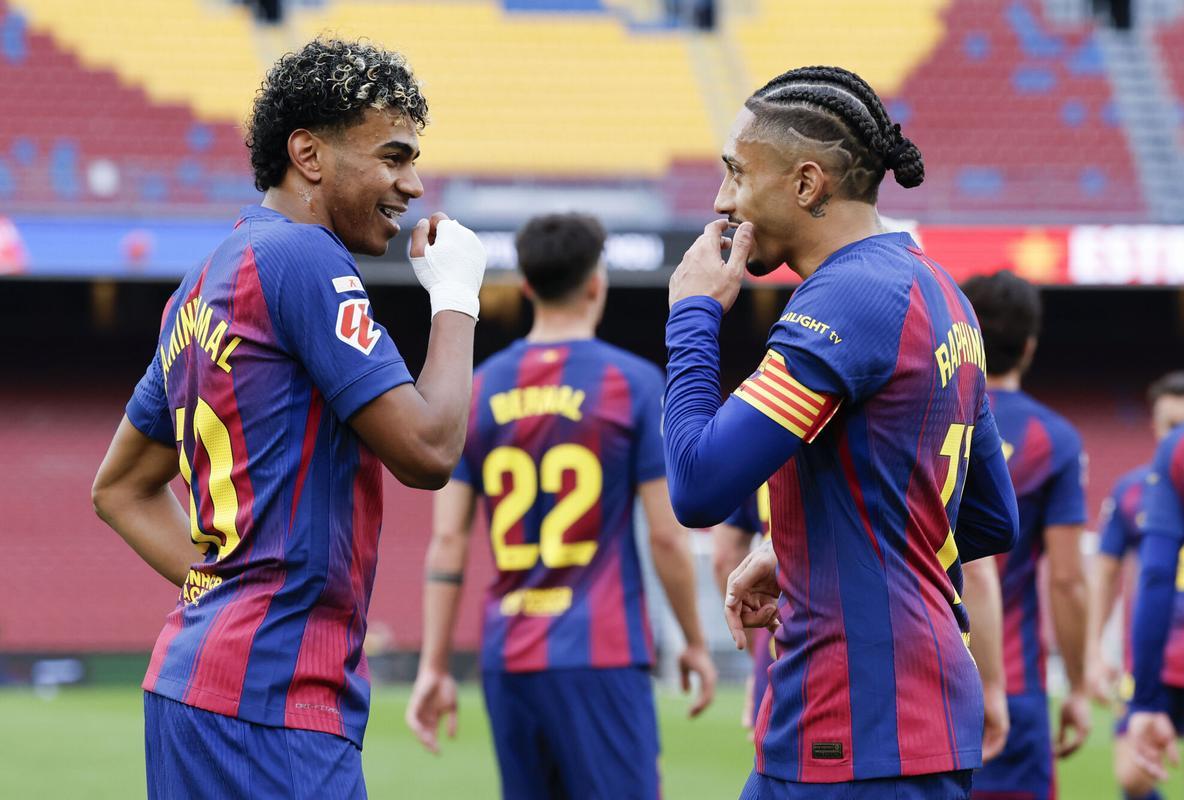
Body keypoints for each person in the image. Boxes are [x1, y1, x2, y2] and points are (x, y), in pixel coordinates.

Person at [90, 38, 487, 799]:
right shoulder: (306, 259)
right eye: (393, 156)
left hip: (190, 690)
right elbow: (430, 450)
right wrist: (457, 297)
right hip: (274, 704)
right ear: (308, 153)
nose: (413, 183)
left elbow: (120, 488)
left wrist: (219, 594)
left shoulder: (201, 286)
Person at [661, 65, 1019, 799]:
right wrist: (801, 550)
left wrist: (693, 313)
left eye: (736, 173)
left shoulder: (849, 299)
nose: (723, 200)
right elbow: (988, 516)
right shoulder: (939, 289)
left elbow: (698, 487)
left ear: (806, 183)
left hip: (857, 731)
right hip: (884, 723)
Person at [406, 212, 717, 799]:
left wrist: (434, 666)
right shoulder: (633, 384)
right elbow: (669, 536)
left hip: (508, 656)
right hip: (602, 654)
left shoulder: (481, 390)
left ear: (526, 286)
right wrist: (695, 643)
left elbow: (448, 541)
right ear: (597, 282)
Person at [959, 271, 1092, 800]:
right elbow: (1066, 581)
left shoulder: (920, 415)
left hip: (920, 677)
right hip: (1013, 686)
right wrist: (1079, 687)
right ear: (1030, 347)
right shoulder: (1051, 439)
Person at [1118, 375, 1184, 795]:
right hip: (1164, 649)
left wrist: (1144, 702)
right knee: (1133, 777)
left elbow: (1156, 576)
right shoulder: (1130, 490)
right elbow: (1118, 572)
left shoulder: (1183, 453)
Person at [712, 486, 775, 732]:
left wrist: (759, 657)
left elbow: (725, 557)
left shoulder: (761, 449)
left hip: (780, 648)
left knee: (777, 762)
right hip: (867, 642)